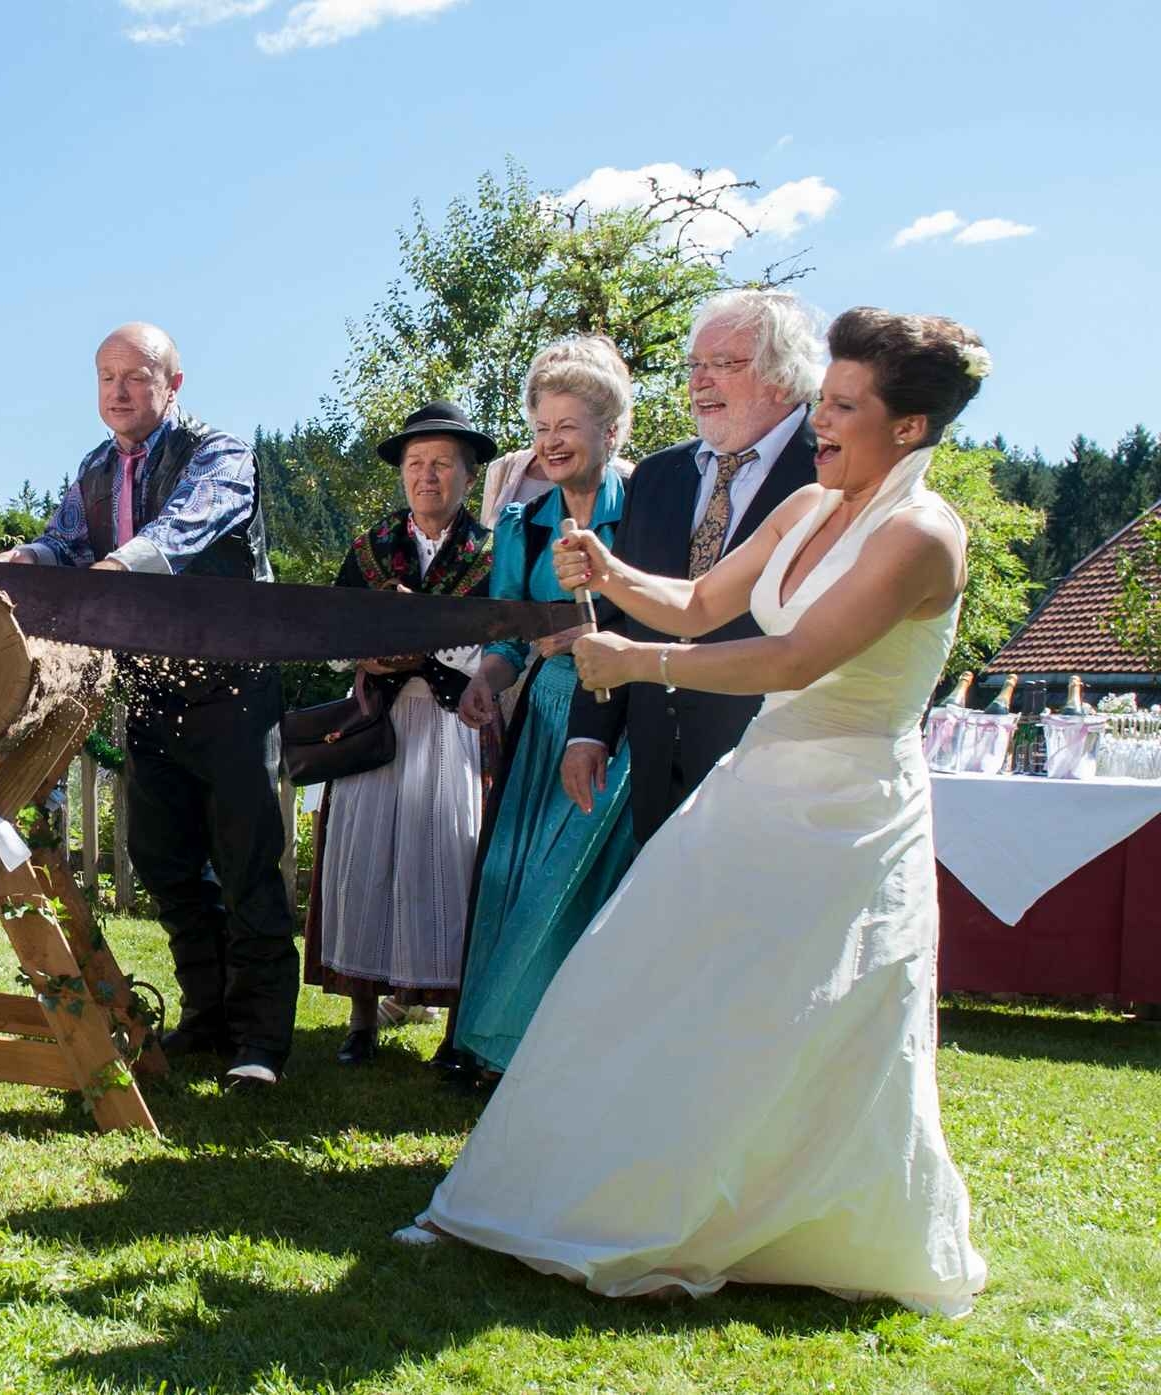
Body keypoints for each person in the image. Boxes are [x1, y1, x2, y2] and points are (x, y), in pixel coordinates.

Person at [404, 307, 992, 1317]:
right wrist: (607, 572)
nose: (821, 422)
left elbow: (793, 659)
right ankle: (604, 1189)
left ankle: (782, 1212)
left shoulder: (920, 536)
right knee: (640, 975)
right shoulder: (806, 507)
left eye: (845, 407)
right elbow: (695, 600)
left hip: (849, 810)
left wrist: (638, 661)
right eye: (824, 399)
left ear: (908, 429)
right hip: (753, 788)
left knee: (798, 1017)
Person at [6, 323, 297, 1089]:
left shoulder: (220, 454)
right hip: (153, 689)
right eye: (106, 377)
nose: (119, 391)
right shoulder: (97, 469)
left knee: (246, 860)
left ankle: (262, 1040)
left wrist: (117, 568)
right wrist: (29, 560)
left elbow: (187, 528)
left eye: (135, 376)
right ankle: (211, 1012)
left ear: (173, 383)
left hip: (232, 684)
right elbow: (64, 541)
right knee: (164, 858)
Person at [447, 340, 643, 1082]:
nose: (551, 442)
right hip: (547, 715)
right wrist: (487, 680)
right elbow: (509, 635)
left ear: (611, 431)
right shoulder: (522, 523)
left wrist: (591, 634)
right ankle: (499, 1048)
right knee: (513, 875)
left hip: (622, 711)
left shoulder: (651, 509)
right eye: (541, 428)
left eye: (569, 425)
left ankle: (577, 1058)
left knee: (581, 880)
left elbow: (669, 615)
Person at [563, 291, 822, 844]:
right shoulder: (658, 475)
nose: (699, 381)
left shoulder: (831, 476)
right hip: (657, 762)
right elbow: (615, 613)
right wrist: (590, 731)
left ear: (782, 376)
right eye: (694, 365)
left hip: (777, 767)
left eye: (722, 365)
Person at [303, 403, 493, 1066]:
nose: (428, 476)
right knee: (366, 862)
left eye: (442, 463)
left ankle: (452, 1029)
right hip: (376, 726)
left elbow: (500, 647)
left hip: (450, 726)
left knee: (446, 859)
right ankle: (361, 1017)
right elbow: (327, 636)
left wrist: (424, 651)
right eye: (416, 464)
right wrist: (366, 656)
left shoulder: (488, 553)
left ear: (469, 475)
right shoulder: (371, 548)